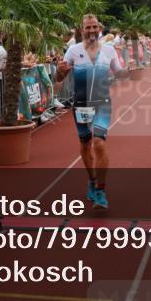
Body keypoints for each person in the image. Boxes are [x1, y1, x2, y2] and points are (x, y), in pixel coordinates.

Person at [54, 14, 131, 210]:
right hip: (82, 105)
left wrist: (128, 71)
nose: (91, 30)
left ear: (100, 28)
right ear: (81, 29)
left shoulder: (109, 50)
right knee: (86, 144)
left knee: (99, 143)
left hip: (102, 103)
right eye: (87, 27)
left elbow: (120, 73)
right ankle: (92, 179)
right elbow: (59, 78)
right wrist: (60, 70)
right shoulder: (73, 50)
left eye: (94, 27)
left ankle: (100, 190)